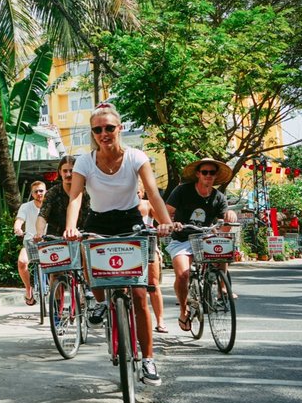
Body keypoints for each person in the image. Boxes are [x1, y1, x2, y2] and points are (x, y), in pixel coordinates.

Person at [63, 103, 174, 387]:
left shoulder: (136, 157)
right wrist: (71, 227)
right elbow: (75, 197)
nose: (104, 133)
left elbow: (152, 192)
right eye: (97, 129)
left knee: (139, 294)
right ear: (93, 133)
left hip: (130, 221)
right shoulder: (85, 162)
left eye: (109, 128)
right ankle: (99, 303)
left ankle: (148, 359)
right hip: (98, 221)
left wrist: (164, 223)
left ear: (119, 128)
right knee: (90, 261)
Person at [164, 157, 239, 331]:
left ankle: (222, 288)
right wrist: (171, 223)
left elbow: (224, 229)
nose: (208, 175)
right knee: (183, 275)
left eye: (212, 173)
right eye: (204, 172)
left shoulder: (219, 197)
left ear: (216, 175)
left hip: (206, 239)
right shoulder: (182, 191)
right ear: (198, 174)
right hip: (182, 238)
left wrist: (230, 217)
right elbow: (166, 213)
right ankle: (184, 311)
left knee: (222, 243)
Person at [35, 155, 88, 239]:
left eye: (71, 171)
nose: (68, 174)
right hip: (56, 240)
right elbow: (42, 215)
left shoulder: (86, 192)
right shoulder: (52, 193)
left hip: (81, 237)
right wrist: (39, 234)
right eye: (65, 171)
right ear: (60, 172)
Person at [137, 182, 167, 333]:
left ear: (142, 193)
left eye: (138, 193)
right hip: (128, 249)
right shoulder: (120, 207)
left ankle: (160, 320)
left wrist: (164, 227)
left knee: (153, 284)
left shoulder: (148, 205)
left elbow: (163, 221)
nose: (135, 196)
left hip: (148, 247)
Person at [14, 181, 46, 306]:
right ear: (32, 194)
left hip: (48, 241)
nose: (39, 193)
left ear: (46, 191)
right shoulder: (26, 206)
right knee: (22, 262)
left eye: (41, 191)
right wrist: (18, 228)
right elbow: (19, 220)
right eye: (36, 191)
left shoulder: (50, 205)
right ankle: (28, 289)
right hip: (30, 241)